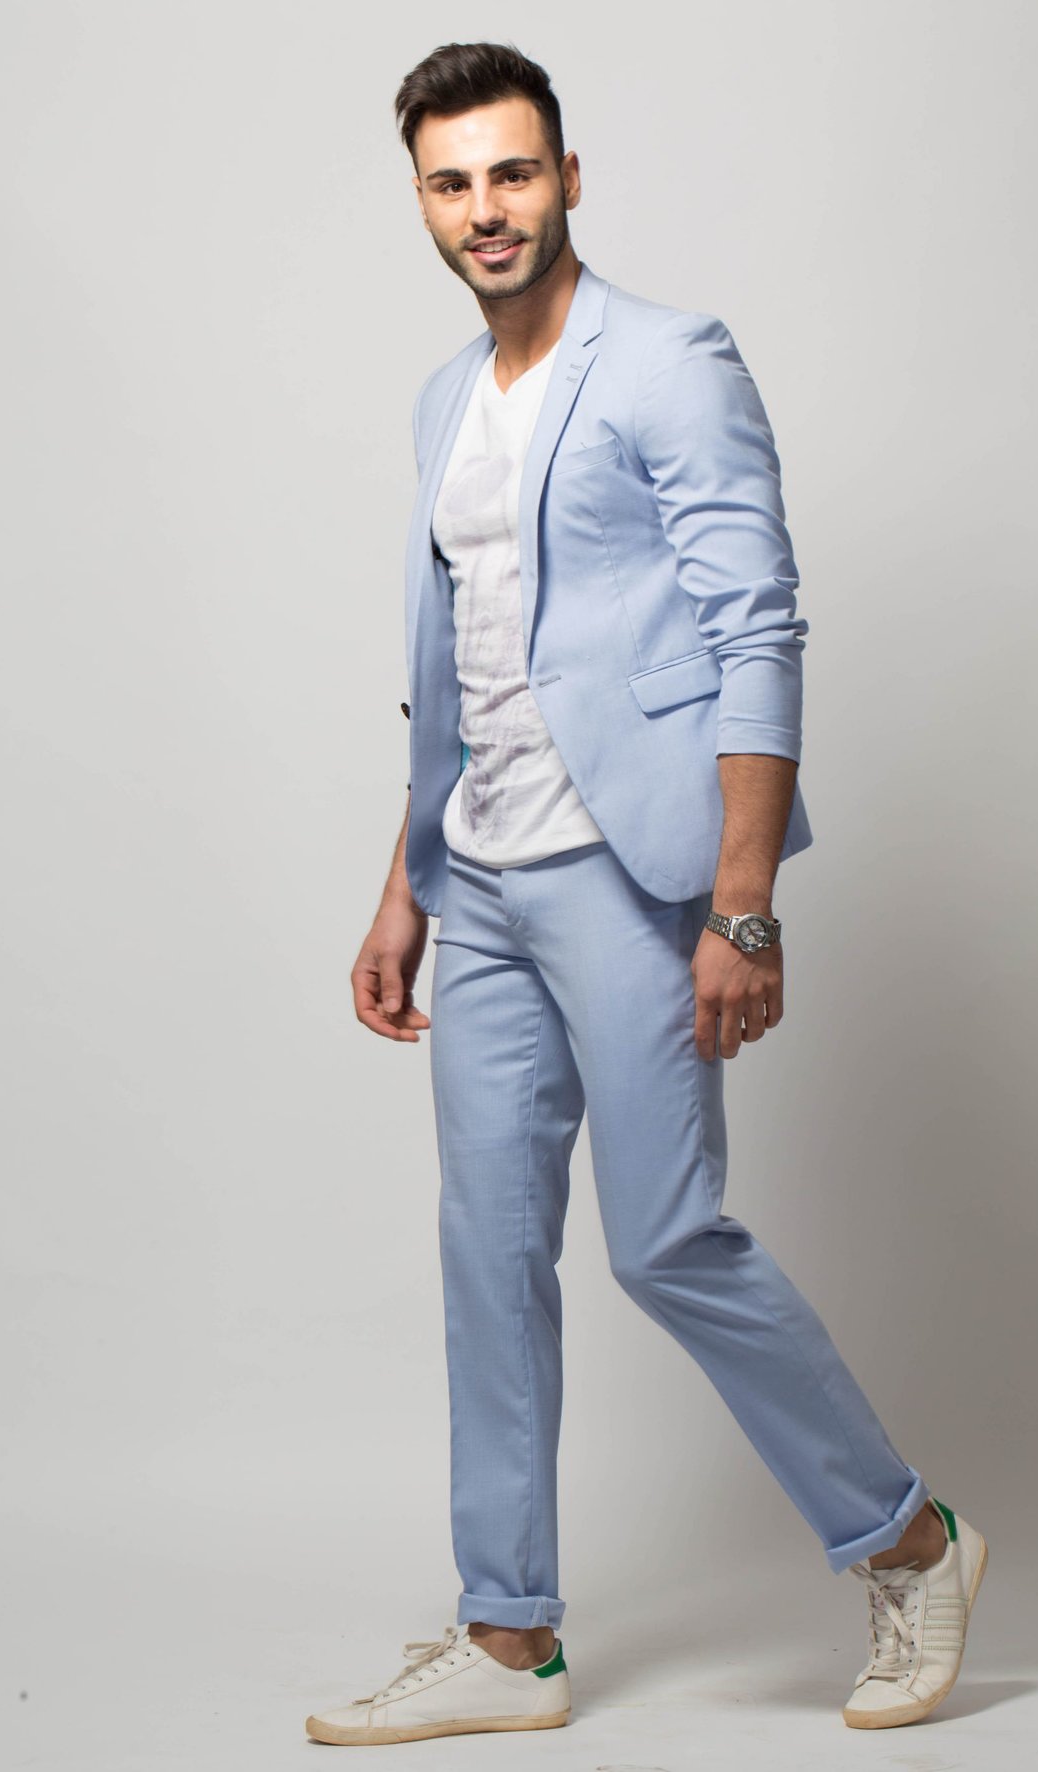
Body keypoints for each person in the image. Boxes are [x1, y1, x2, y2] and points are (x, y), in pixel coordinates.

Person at [306, 39, 987, 1748]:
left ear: (568, 178)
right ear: (422, 204)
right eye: (452, 183)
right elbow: (455, 677)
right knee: (487, 1252)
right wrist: (404, 887)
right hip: (483, 881)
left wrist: (741, 907)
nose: (486, 209)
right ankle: (508, 1635)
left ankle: (911, 1542)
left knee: (669, 1238)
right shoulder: (444, 403)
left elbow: (758, 626)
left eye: (512, 172)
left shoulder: (671, 361)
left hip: (632, 877)